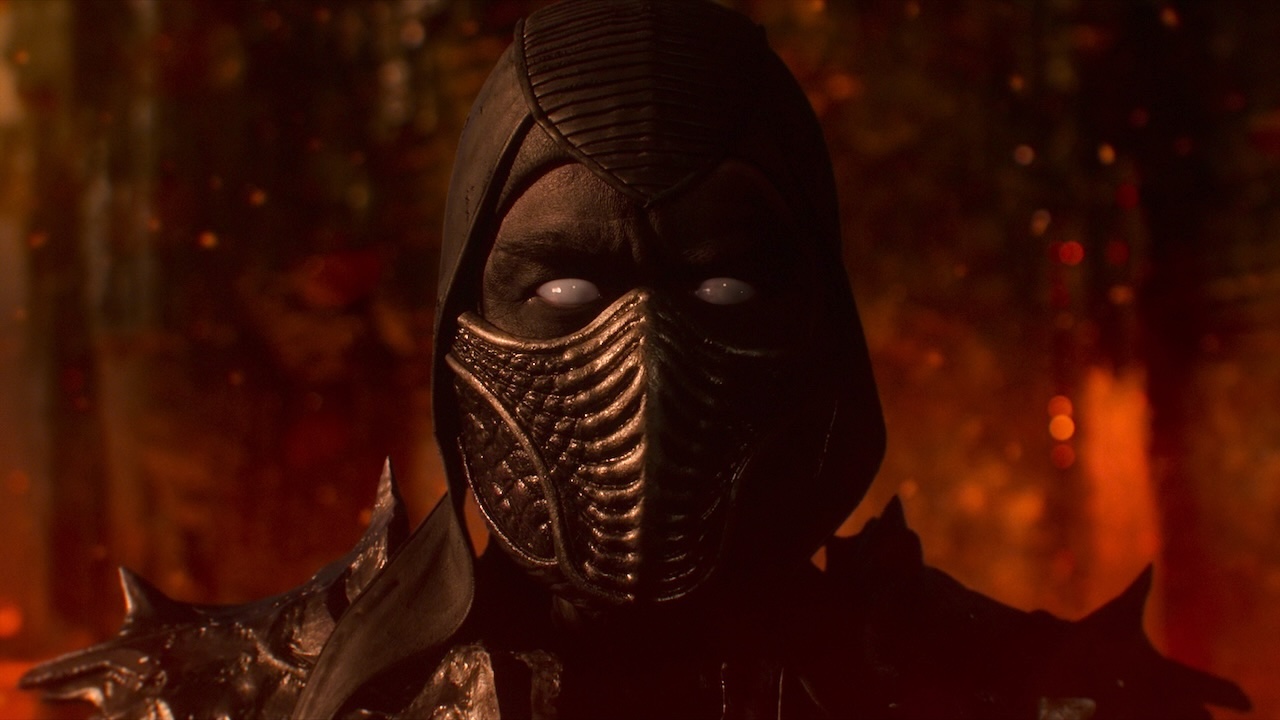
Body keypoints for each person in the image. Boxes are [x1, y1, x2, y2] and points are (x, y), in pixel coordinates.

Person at [22, 1, 1250, 718]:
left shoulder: (1025, 698)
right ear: (462, 319)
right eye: (563, 287)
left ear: (818, 320)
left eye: (724, 286)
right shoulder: (237, 695)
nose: (646, 362)